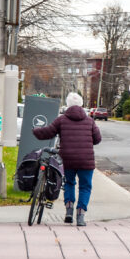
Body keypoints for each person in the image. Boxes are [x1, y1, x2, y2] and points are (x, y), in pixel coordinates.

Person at [32, 92, 101, 226]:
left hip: (67, 159)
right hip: (86, 160)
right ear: (81, 104)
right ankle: (80, 215)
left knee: (69, 183)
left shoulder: (61, 120)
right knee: (85, 187)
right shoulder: (90, 121)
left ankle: (69, 211)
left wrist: (36, 130)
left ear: (68, 105)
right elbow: (97, 139)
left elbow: (48, 132)